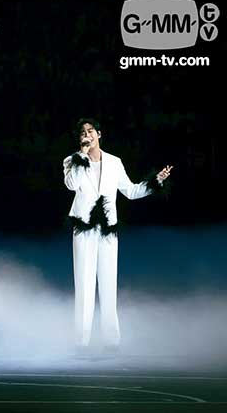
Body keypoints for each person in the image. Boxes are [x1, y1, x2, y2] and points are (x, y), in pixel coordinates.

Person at [63, 118, 172, 352]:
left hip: (108, 230)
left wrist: (156, 181)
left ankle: (111, 342)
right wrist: (82, 156)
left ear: (99, 134)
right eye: (82, 132)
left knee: (108, 283)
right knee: (84, 285)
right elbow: (72, 185)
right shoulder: (72, 161)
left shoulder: (114, 162)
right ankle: (81, 342)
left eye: (90, 131)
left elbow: (130, 191)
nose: (87, 135)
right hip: (83, 228)